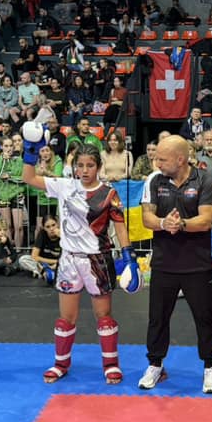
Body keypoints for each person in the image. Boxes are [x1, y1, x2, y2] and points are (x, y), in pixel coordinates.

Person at [21, 125, 137, 385]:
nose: (84, 170)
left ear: (98, 166)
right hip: (69, 259)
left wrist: (129, 257)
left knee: (104, 317)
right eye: (80, 165)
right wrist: (30, 152)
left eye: (90, 165)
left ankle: (111, 365)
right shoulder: (64, 186)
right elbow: (28, 178)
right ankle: (60, 364)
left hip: (98, 259)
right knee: (66, 319)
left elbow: (120, 226)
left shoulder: (109, 193)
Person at [139, 135, 212, 393]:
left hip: (197, 263)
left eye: (163, 159)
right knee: (157, 318)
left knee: (205, 318)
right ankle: (155, 364)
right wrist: (164, 223)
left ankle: (210, 368)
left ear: (180, 159)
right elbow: (147, 217)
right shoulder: (155, 180)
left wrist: (182, 224)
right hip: (164, 262)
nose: (157, 163)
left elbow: (206, 220)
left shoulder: (205, 180)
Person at [18, 215, 62, 281]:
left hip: (59, 264)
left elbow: (70, 256)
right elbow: (34, 256)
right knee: (23, 259)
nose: (51, 229)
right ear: (44, 228)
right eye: (48, 227)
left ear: (57, 224)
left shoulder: (64, 235)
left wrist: (62, 237)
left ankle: (43, 272)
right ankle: (45, 272)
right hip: (43, 263)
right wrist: (55, 262)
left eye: (53, 225)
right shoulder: (42, 234)